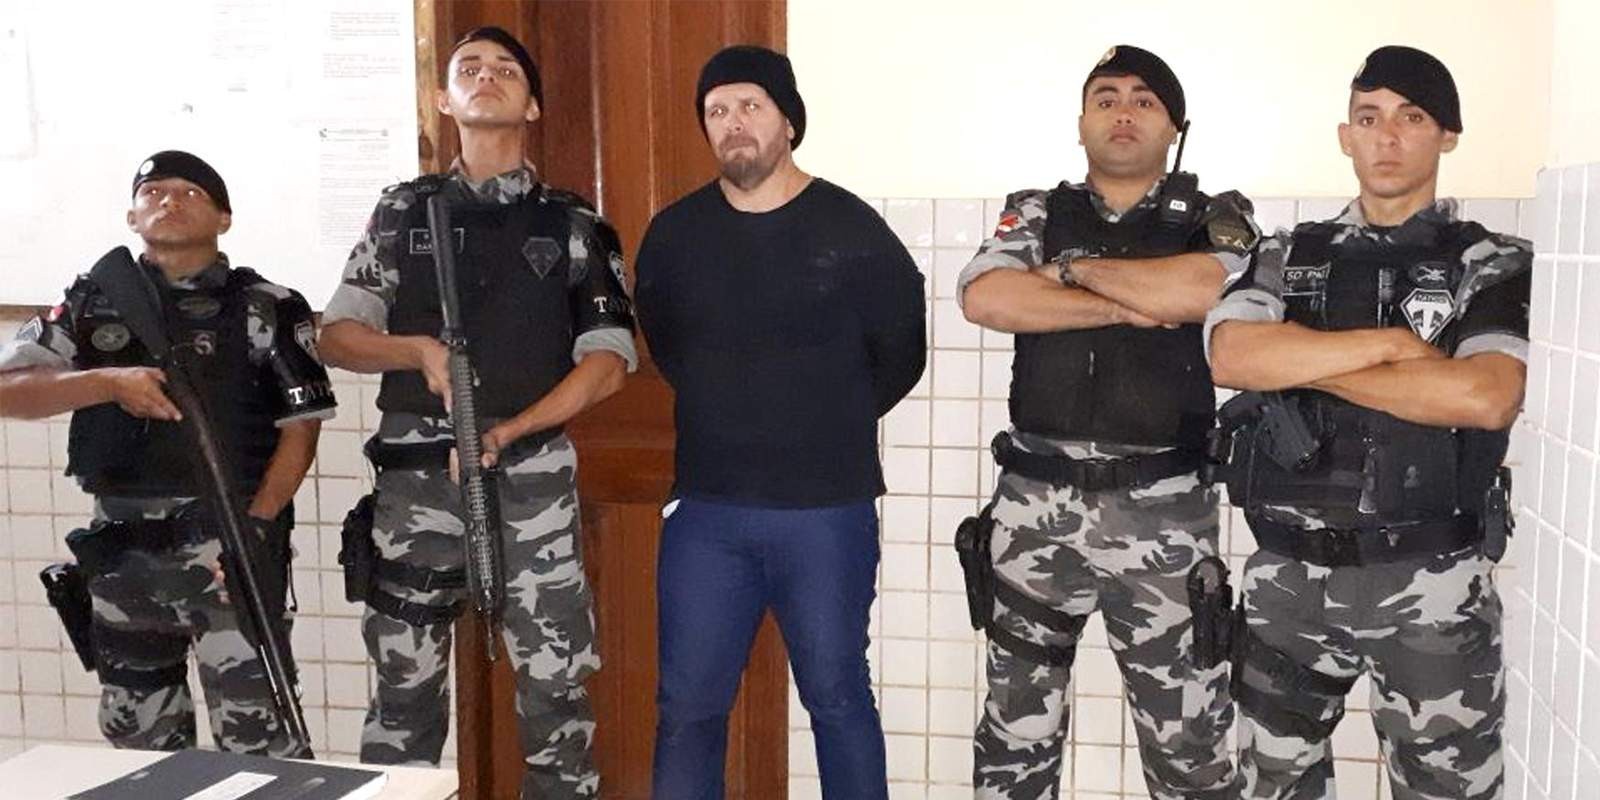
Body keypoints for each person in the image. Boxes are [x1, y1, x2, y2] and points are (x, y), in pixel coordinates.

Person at [317, 26, 636, 799]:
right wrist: (417, 352)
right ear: (443, 98)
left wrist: (512, 430)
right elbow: (337, 336)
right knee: (404, 692)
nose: (486, 77)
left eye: (505, 70)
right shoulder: (403, 212)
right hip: (417, 483)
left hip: (531, 478)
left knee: (555, 685)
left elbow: (609, 362)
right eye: (469, 68)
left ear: (533, 106)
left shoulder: (573, 223)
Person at [1205, 45, 1529, 800]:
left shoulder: (1491, 261)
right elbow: (1233, 354)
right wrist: (1392, 350)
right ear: (1345, 135)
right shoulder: (1287, 252)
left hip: (1432, 585)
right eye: (1368, 117)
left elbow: (1484, 396)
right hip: (1287, 582)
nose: (1387, 137)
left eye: (1411, 118)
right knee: (1270, 787)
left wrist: (1302, 360)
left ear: (1447, 135)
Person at [957, 45, 1254, 799]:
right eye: (1107, 98)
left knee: (1189, 745)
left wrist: (1064, 272)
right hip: (1033, 510)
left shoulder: (1215, 216)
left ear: (1174, 127)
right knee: (1014, 735)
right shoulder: (1035, 211)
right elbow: (988, 297)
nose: (1124, 113)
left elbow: (1202, 291)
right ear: (1082, 122)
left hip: (1164, 516)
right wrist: (1123, 304)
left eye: (1144, 101)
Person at [633, 44, 926, 800]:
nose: (734, 123)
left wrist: (821, 419)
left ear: (788, 122)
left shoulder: (853, 231)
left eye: (751, 106)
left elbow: (901, 355)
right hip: (708, 514)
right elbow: (667, 345)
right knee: (687, 710)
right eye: (717, 111)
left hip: (825, 513)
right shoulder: (674, 237)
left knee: (838, 700)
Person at [0, 150, 333, 755]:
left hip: (227, 550)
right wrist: (106, 383)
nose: (169, 202)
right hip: (122, 558)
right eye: (153, 192)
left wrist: (257, 532)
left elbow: (301, 431)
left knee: (259, 741)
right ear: (132, 217)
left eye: (190, 192)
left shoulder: (266, 305)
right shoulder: (92, 300)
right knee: (140, 744)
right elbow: (8, 391)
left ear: (224, 218)